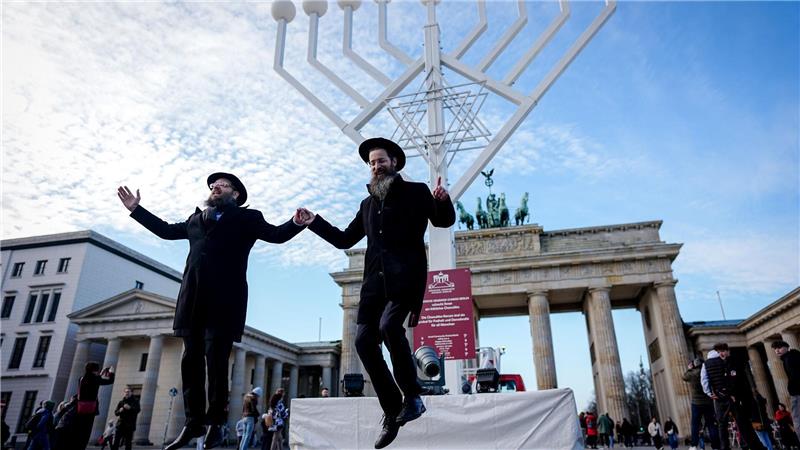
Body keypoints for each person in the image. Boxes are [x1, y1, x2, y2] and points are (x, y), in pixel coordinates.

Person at [117, 174, 306, 450]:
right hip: (192, 299)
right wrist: (136, 209)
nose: (215, 188)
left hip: (224, 300)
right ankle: (193, 422)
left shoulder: (248, 218)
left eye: (222, 185)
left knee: (216, 361)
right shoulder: (196, 219)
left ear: (236, 194)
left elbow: (276, 235)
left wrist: (296, 223)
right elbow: (166, 231)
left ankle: (216, 424)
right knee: (190, 360)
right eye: (212, 185)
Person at [297, 137, 455, 449]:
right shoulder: (367, 204)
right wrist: (314, 222)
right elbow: (344, 239)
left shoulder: (416, 192)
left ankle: (413, 396)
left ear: (394, 162)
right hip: (373, 286)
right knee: (362, 341)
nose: (376, 167)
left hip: (405, 279)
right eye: (371, 163)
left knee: (388, 327)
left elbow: (443, 221)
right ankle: (393, 407)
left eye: (380, 161)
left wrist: (442, 200)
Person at [701, 342, 766, 450]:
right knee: (742, 422)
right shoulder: (726, 362)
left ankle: (724, 448)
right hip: (731, 396)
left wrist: (708, 393)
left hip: (718, 397)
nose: (722, 353)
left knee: (722, 424)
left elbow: (704, 380)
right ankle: (755, 446)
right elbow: (731, 379)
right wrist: (732, 394)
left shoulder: (706, 363)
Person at [74, 362, 115, 450]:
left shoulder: (81, 378)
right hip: (90, 408)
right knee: (86, 431)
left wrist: (100, 374)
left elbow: (94, 381)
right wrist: (111, 372)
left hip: (80, 407)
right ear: (95, 370)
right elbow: (110, 381)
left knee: (79, 430)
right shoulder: (95, 379)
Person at [683, 357, 720, 450]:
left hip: (696, 403)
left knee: (695, 425)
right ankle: (716, 446)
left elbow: (684, 377)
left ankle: (694, 445)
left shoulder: (692, 374)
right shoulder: (707, 372)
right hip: (708, 401)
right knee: (711, 425)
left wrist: (689, 368)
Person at [772, 340, 800, 443]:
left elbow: (794, 376)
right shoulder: (791, 357)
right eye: (775, 349)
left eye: (779, 347)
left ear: (786, 347)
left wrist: (791, 389)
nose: (777, 350)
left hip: (797, 393)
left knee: (797, 422)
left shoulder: (789, 358)